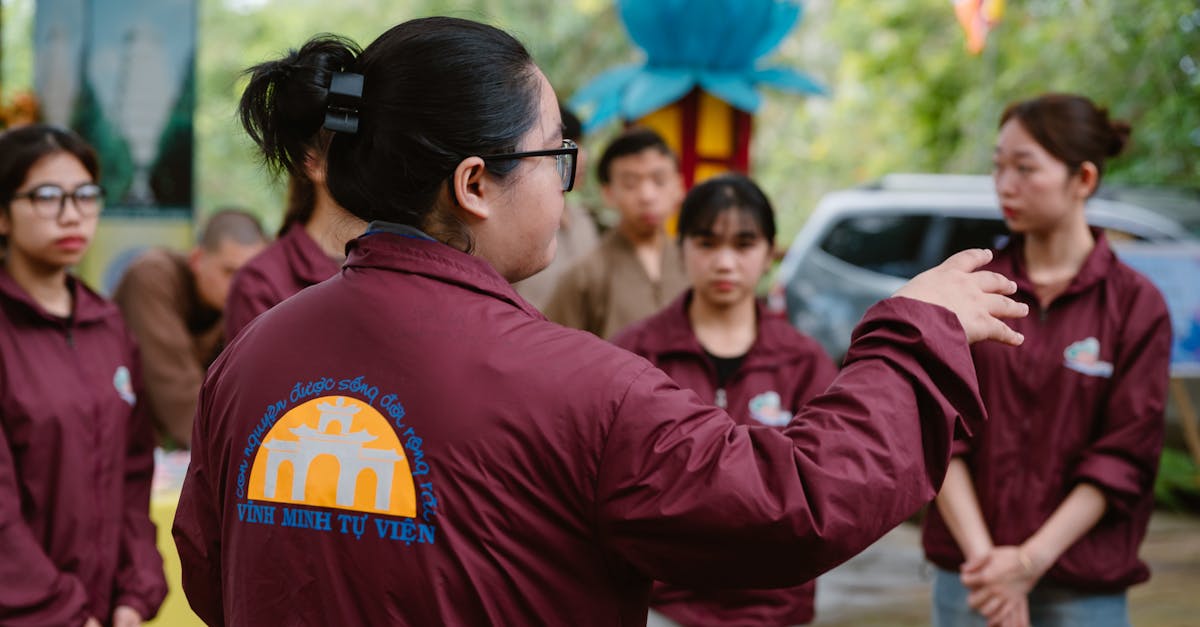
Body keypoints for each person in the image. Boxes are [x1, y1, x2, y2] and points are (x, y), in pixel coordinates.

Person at [172, 17, 1027, 626]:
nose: (566, 183)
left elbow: (215, 576)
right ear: (475, 183)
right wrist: (915, 332)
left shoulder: (253, 358)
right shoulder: (582, 386)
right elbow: (791, 502)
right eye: (555, 156)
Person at [922, 94, 1172, 627]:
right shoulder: (972, 290)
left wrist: (1029, 562)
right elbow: (941, 431)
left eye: (1024, 167)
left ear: (1082, 179)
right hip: (972, 581)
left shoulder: (1135, 306)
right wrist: (989, 564)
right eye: (998, 165)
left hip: (1082, 591)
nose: (1004, 184)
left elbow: (1125, 455)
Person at [613, 173, 838, 627]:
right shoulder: (635, 354)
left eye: (744, 244)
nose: (725, 262)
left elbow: (826, 487)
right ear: (683, 248)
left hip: (774, 609)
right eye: (708, 242)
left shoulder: (805, 363)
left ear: (770, 251)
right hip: (660, 607)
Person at [0, 124, 166, 626]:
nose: (72, 214)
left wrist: (135, 593)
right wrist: (63, 613)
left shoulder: (107, 325)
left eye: (86, 195)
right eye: (47, 196)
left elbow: (133, 471)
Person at [224, 36, 368, 340]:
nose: (374, 160)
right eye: (356, 148)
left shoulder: (410, 263)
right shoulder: (262, 284)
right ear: (310, 161)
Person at [113, 209, 266, 448]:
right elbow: (175, 387)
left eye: (252, 275)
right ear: (196, 259)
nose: (241, 285)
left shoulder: (243, 302)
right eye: (230, 272)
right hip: (121, 442)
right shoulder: (152, 276)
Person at [543, 127, 688, 338]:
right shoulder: (585, 275)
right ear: (608, 193)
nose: (647, 196)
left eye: (659, 180)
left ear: (679, 186)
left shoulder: (693, 261)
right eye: (631, 183)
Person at [511, 104, 600, 309]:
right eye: (565, 147)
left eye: (581, 144)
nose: (582, 157)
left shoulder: (584, 220)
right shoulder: (518, 225)